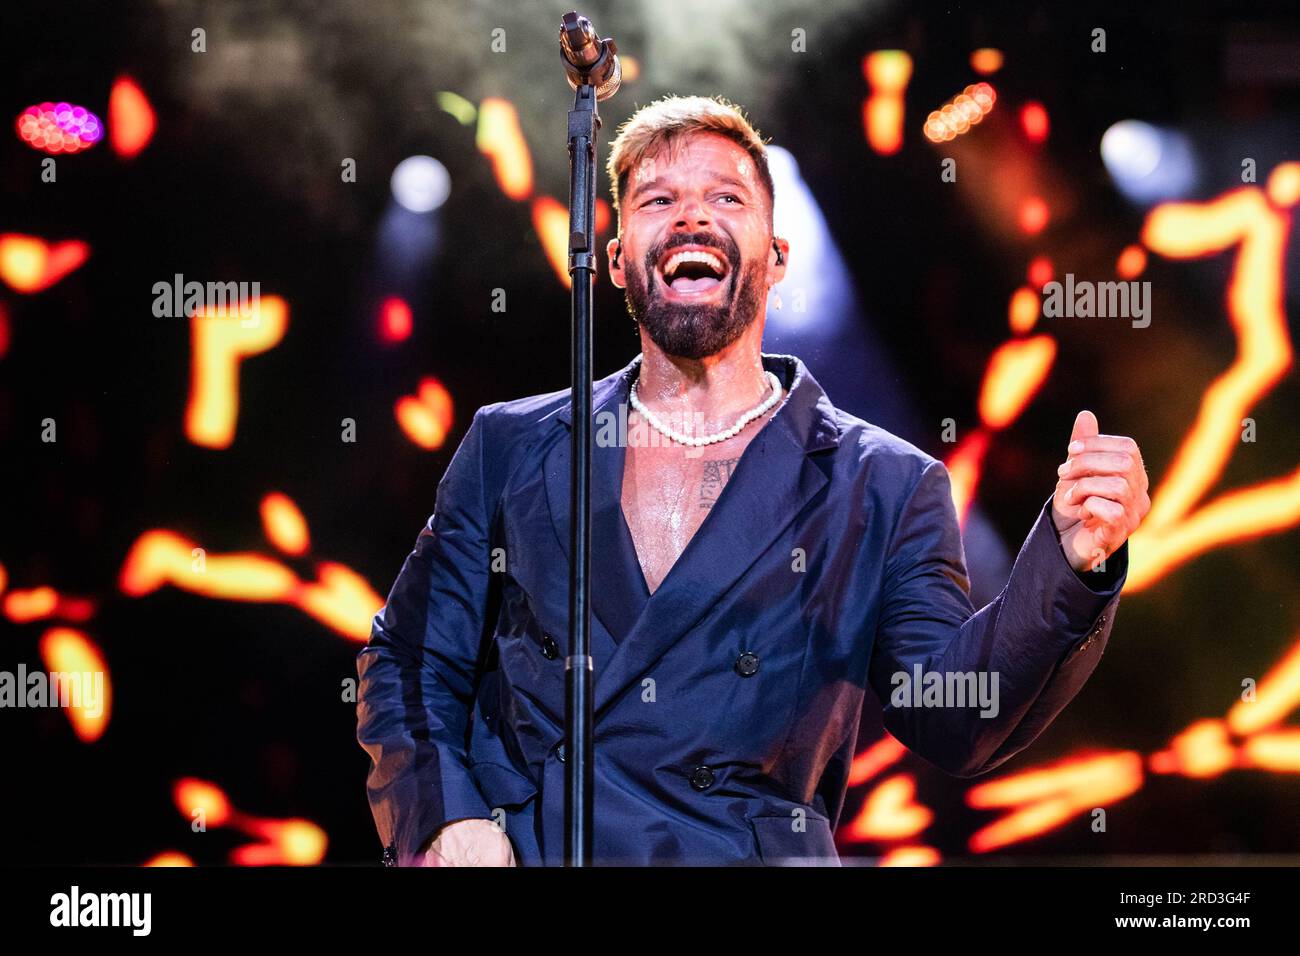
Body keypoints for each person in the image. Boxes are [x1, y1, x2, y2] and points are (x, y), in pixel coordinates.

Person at [355, 94, 1151, 867]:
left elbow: (950, 713)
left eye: (725, 196)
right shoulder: (513, 444)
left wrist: (1071, 564)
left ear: (775, 258)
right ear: (621, 259)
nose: (691, 216)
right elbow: (408, 659)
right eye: (658, 198)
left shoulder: (882, 484)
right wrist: (446, 822)